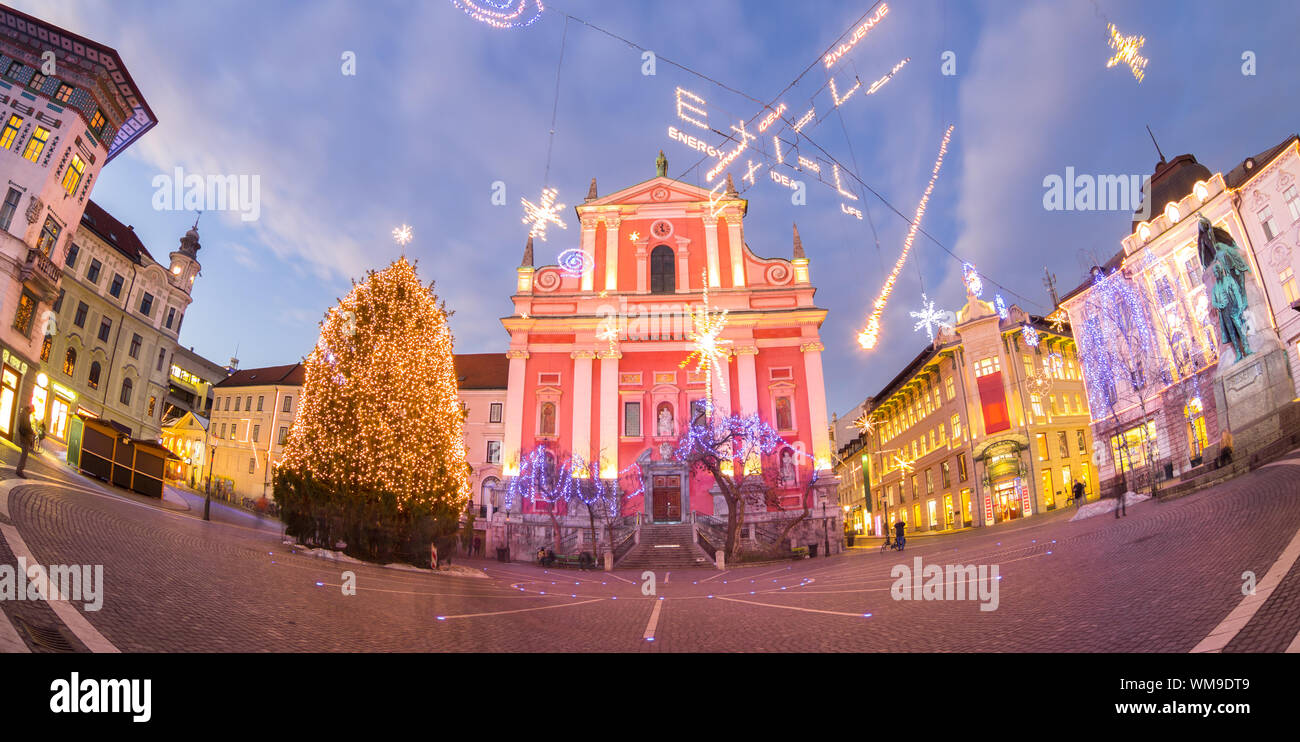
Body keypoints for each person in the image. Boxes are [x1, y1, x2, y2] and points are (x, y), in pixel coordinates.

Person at [14, 404, 35, 478]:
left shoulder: (24, 413)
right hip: (25, 438)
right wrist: (32, 431)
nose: (31, 413)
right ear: (30, 409)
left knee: (24, 454)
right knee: (24, 455)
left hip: (24, 437)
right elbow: (26, 426)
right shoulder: (25, 414)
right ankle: (19, 470)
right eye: (32, 411)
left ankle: (19, 469)